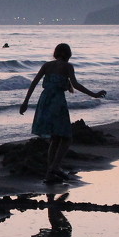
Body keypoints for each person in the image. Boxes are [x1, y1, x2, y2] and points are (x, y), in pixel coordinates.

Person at [18, 43, 106, 184]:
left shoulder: (47, 65)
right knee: (66, 137)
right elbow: (75, 85)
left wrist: (25, 102)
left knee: (55, 138)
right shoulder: (67, 67)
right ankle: (54, 168)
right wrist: (94, 94)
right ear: (68, 54)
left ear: (55, 53)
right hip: (57, 102)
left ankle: (50, 173)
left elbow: (33, 83)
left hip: (44, 100)